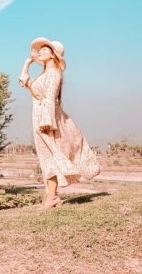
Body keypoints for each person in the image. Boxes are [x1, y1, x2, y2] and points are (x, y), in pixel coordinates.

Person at [19, 37, 100, 210]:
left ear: (53, 55)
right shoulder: (43, 75)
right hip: (39, 119)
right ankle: (51, 197)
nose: (40, 52)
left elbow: (50, 97)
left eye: (45, 49)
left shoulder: (54, 74)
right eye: (40, 49)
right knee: (46, 159)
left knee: (52, 157)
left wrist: (46, 121)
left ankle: (51, 197)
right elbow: (24, 82)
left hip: (47, 120)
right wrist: (27, 64)